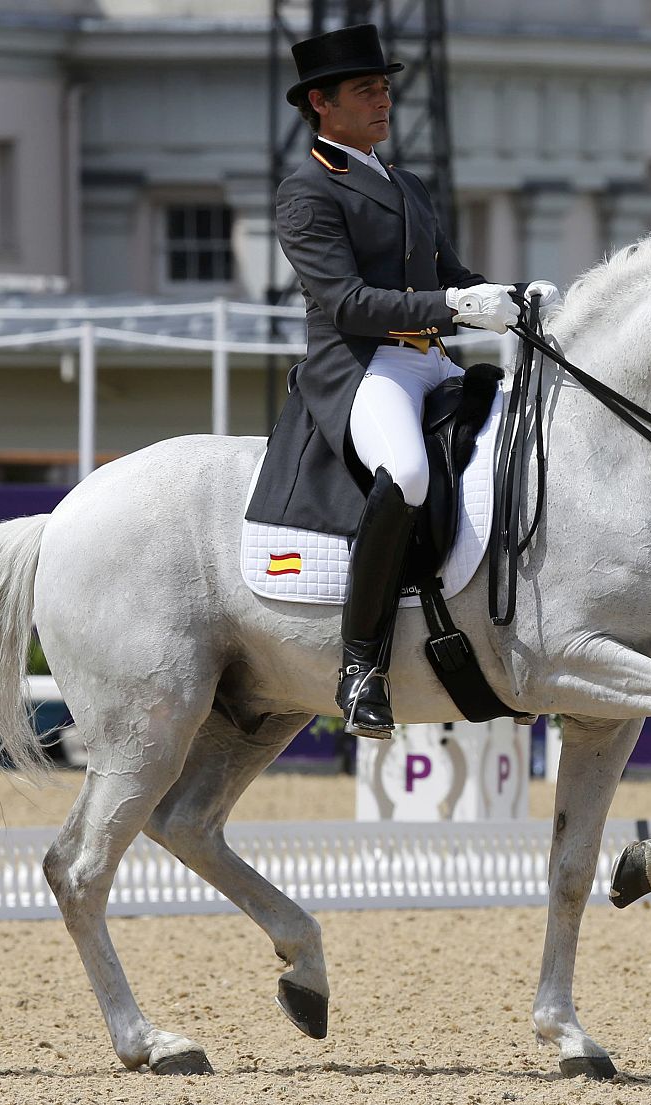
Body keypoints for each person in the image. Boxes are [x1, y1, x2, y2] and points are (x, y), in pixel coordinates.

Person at [245, 23, 559, 738]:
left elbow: (452, 276)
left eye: (385, 87)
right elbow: (348, 304)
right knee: (410, 472)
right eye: (367, 90)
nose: (383, 100)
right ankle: (361, 667)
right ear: (321, 103)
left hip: (430, 360)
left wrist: (512, 297)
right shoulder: (308, 191)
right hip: (360, 367)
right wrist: (452, 307)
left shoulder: (405, 182)